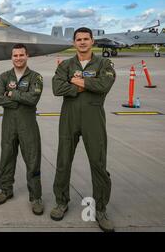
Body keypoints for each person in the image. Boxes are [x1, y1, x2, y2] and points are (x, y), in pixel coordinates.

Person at [50, 27, 116, 232]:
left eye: (86, 39)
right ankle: (61, 202)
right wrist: (85, 85)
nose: (82, 42)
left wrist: (79, 81)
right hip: (69, 117)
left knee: (98, 162)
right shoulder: (67, 65)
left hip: (93, 118)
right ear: (74, 43)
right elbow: (56, 88)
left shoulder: (104, 63)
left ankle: (101, 209)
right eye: (79, 39)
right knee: (63, 161)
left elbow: (104, 84)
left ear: (92, 41)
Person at [0, 44, 44, 215]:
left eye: (21, 55)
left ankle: (36, 196)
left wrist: (12, 95)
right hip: (8, 124)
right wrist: (20, 99)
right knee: (7, 157)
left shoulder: (36, 77)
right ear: (11, 57)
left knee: (32, 159)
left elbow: (33, 99)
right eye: (15, 55)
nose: (18, 58)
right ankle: (6, 190)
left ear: (27, 56)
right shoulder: (4, 77)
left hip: (28, 125)